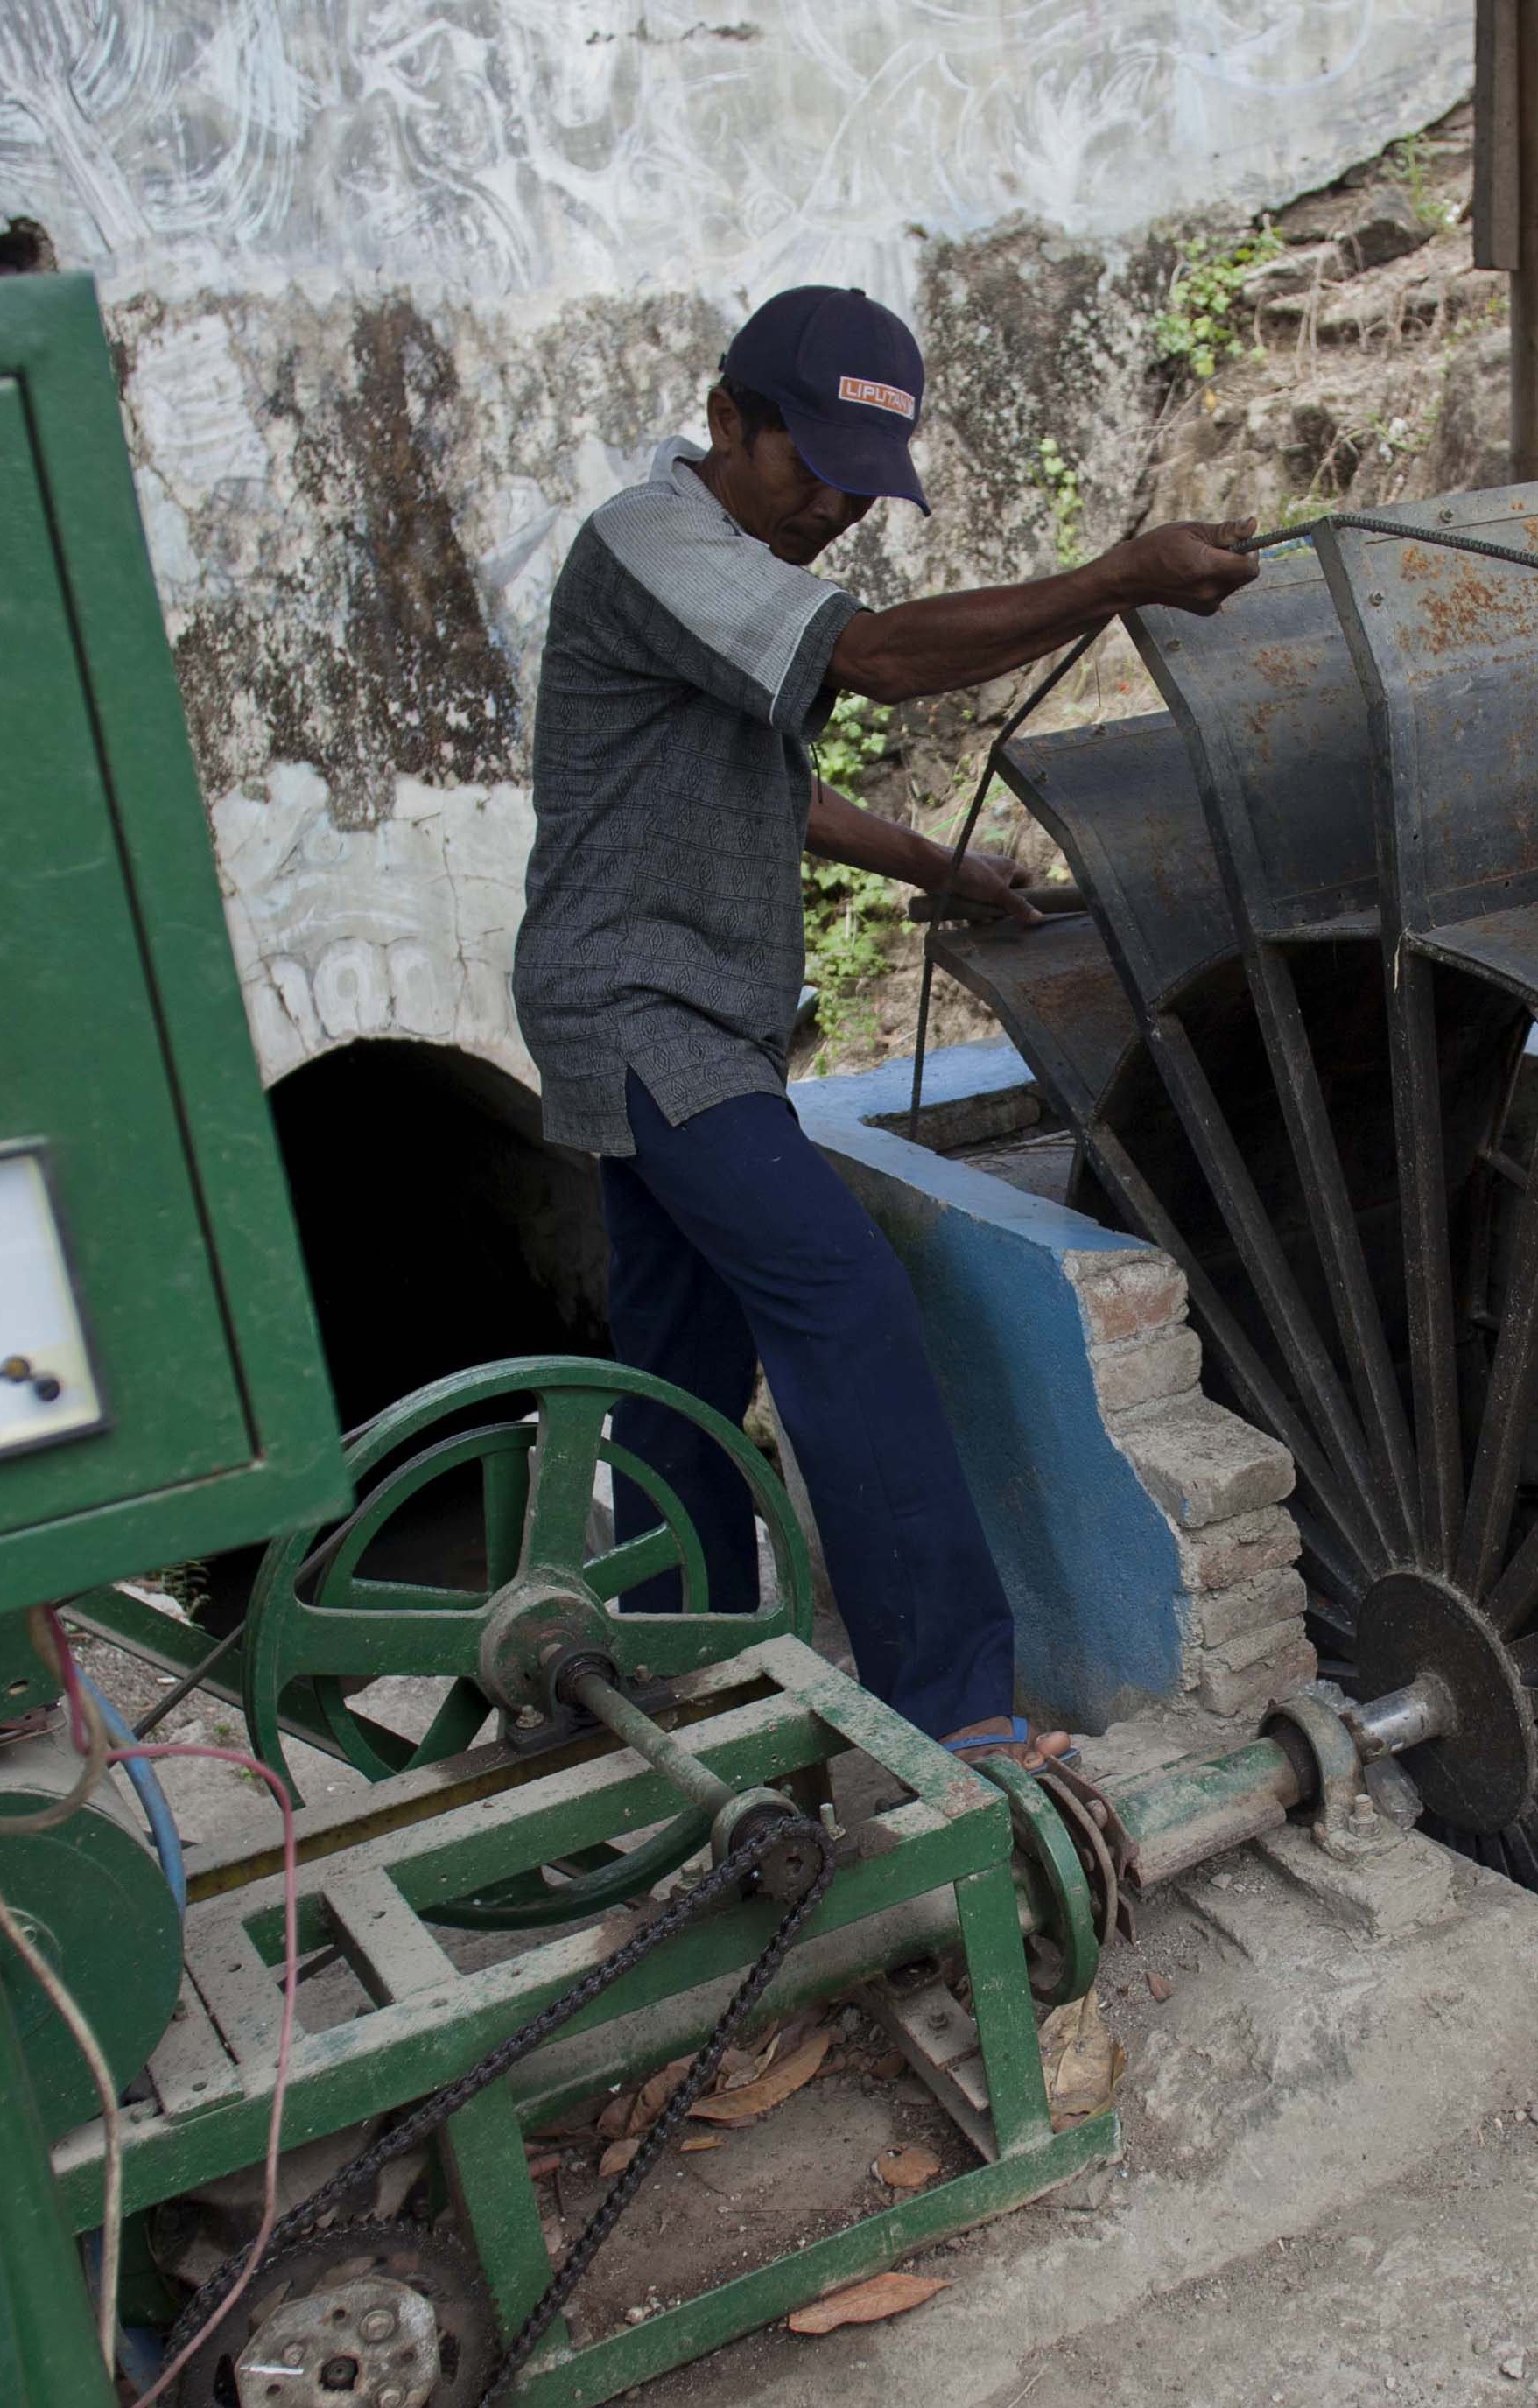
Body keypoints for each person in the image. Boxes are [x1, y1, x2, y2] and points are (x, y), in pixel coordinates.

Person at [516, 284, 1259, 1768]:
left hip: (695, 1009)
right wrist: (1115, 575)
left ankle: (686, 1667)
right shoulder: (652, 539)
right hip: (638, 1002)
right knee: (842, 1292)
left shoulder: (722, 567)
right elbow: (877, 659)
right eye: (812, 473)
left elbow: (763, 788)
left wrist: (942, 866)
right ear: (727, 421)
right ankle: (957, 1709)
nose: (834, 514)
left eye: (862, 493)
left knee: (677, 1362)